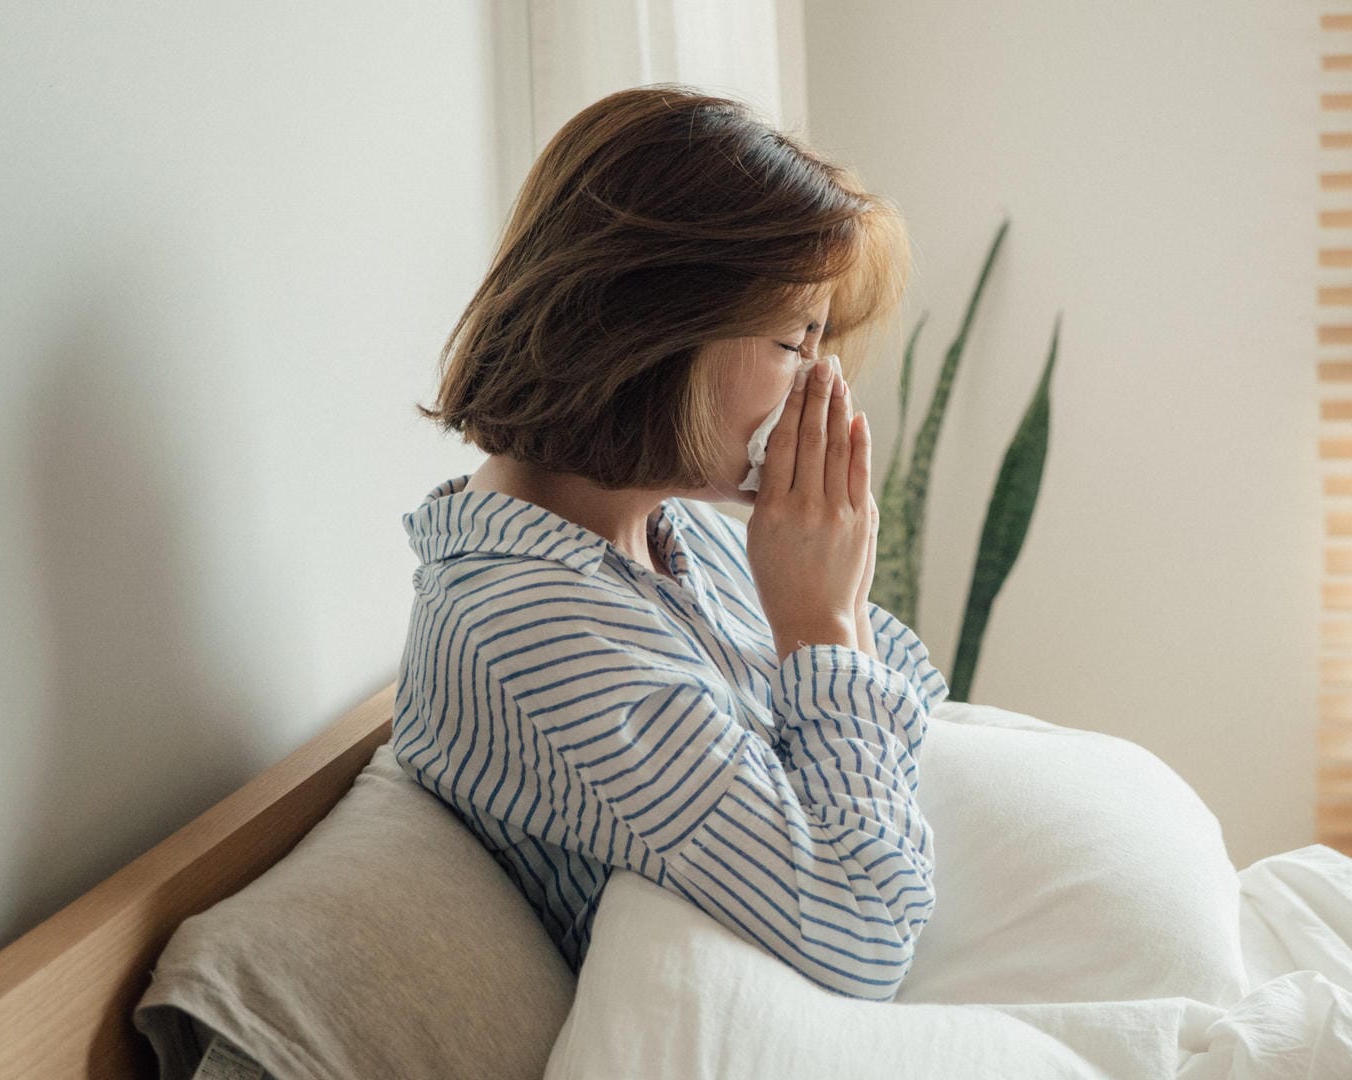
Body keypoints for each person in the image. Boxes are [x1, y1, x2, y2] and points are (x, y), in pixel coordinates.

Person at [394, 85, 949, 1002]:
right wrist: (818, 624)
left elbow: (909, 686)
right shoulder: (532, 630)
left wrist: (836, 610)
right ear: (654, 332)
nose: (820, 385)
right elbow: (865, 934)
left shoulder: (665, 525)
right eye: (795, 341)